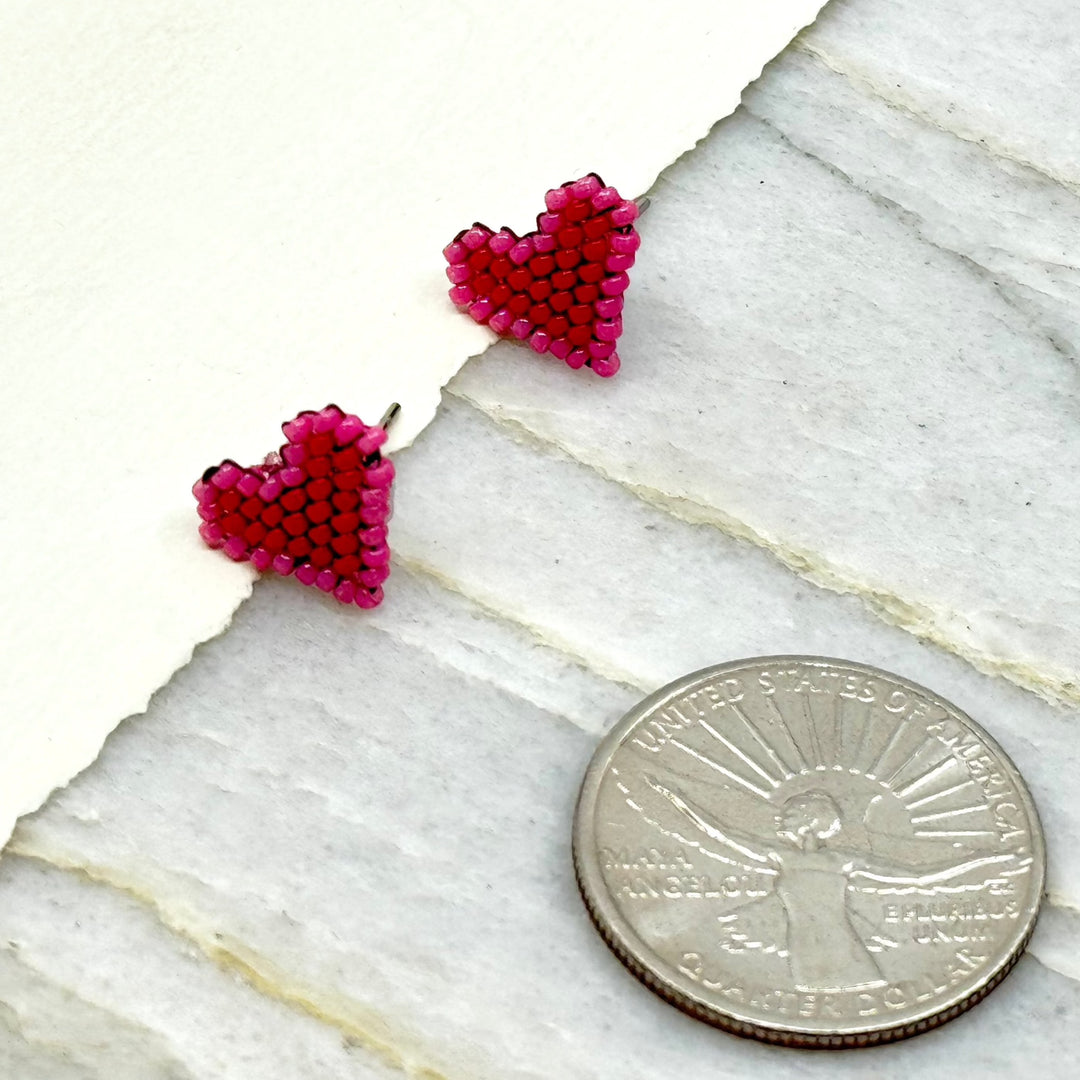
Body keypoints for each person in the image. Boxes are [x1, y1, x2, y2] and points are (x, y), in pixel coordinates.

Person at [644, 777, 1025, 992]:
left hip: (841, 950)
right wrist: (675, 798)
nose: (781, 821)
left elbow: (919, 877)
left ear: (811, 818)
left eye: (789, 813)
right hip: (804, 952)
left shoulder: (841, 862)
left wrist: (985, 861)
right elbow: (722, 833)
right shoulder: (784, 857)